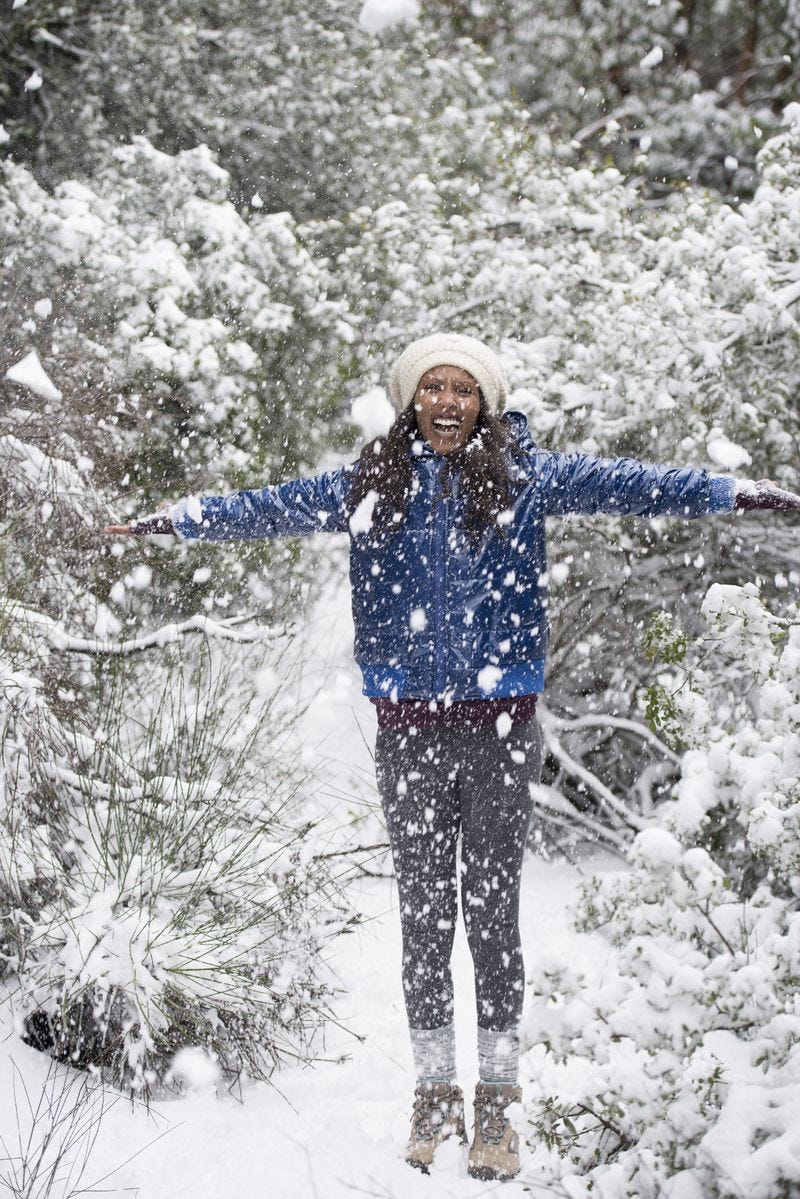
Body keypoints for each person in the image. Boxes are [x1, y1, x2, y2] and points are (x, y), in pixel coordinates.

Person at [105, 332, 800, 1182]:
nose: (444, 400)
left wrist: (734, 492)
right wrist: (177, 519)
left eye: (461, 389)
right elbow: (266, 506)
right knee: (426, 918)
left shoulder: (527, 477)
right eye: (429, 386)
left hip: (501, 730)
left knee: (492, 912)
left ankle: (499, 1103)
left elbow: (636, 482)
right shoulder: (368, 484)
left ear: (485, 404)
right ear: (410, 401)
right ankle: (436, 1091)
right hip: (409, 734)